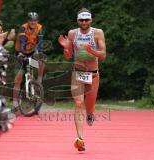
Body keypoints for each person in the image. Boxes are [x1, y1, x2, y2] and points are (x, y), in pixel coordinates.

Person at [58, 8, 106, 151]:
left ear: (91, 20)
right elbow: (68, 56)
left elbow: (103, 55)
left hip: (93, 74)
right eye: (81, 20)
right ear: (78, 21)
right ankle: (80, 138)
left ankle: (90, 113)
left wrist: (91, 51)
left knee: (89, 106)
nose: (84, 22)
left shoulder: (98, 33)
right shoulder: (73, 33)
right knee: (79, 104)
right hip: (78, 73)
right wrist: (66, 48)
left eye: (86, 20)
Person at [12, 12, 45, 111]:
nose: (33, 22)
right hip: (21, 53)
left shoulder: (40, 28)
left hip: (32, 53)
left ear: (37, 21)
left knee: (42, 60)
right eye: (31, 20)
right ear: (28, 21)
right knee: (18, 80)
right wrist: (22, 53)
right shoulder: (23, 27)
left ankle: (39, 80)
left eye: (35, 20)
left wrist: (39, 54)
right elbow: (22, 42)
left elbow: (39, 43)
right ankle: (14, 103)